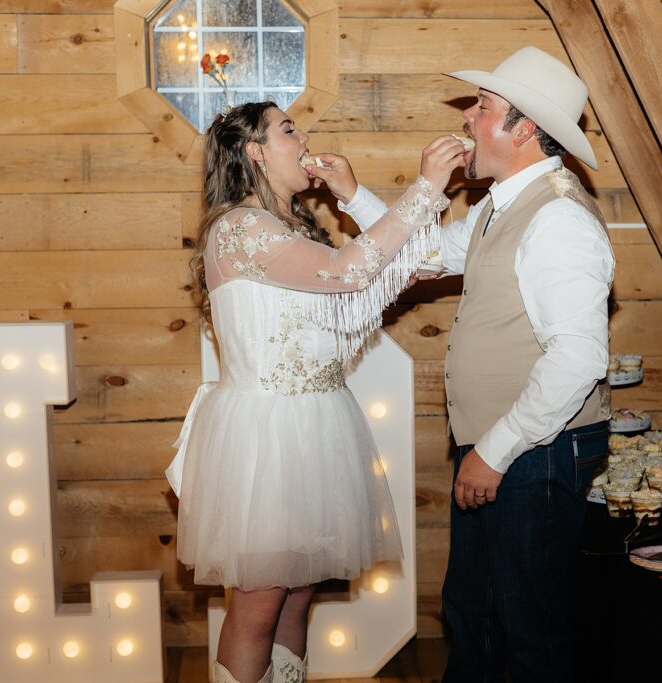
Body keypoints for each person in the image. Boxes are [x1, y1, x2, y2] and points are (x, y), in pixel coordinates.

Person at [338, 46, 615, 681]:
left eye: (483, 107)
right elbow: (427, 254)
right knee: (476, 616)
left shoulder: (559, 217)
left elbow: (577, 358)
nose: (466, 117)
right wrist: (353, 195)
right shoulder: (501, 203)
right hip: (508, 446)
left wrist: (493, 452)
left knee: (529, 631)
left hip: (536, 451)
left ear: (523, 129)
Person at [165, 101, 466, 683]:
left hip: (317, 423)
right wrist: (426, 187)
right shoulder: (241, 228)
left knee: (299, 592)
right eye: (288, 130)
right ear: (255, 151)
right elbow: (349, 271)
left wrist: (353, 195)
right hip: (267, 434)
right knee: (259, 602)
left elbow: (383, 274)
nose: (304, 138)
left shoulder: (292, 226)